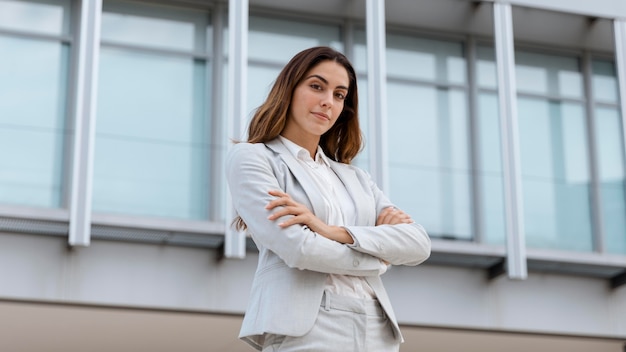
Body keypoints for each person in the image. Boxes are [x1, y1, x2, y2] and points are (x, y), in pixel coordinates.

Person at [226, 46, 431, 352]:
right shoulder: (254, 158)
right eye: (317, 86)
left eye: (339, 95)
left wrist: (330, 231)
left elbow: (418, 244)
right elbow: (300, 249)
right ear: (289, 89)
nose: (327, 102)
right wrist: (380, 258)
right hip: (308, 327)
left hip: (376, 325)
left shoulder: (356, 179)